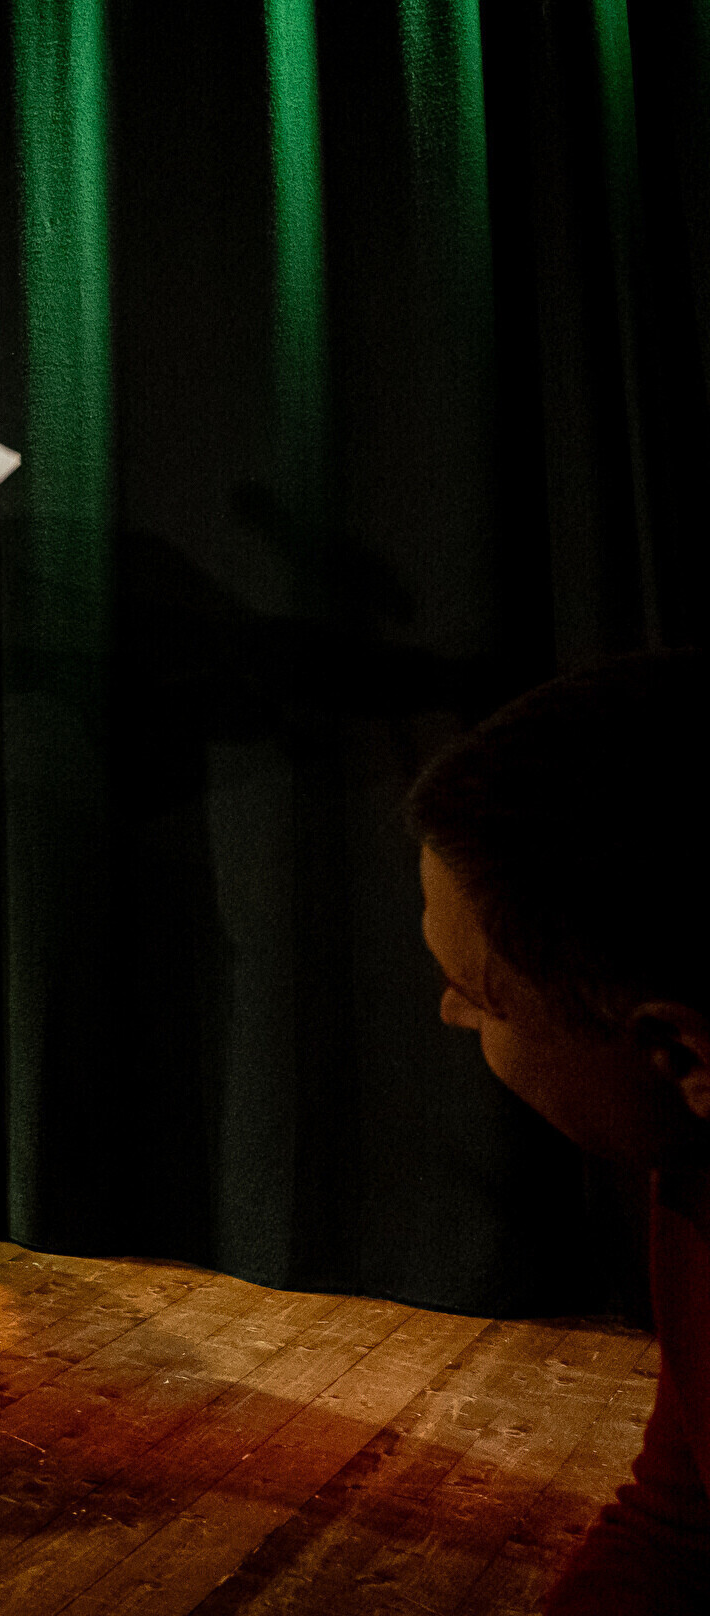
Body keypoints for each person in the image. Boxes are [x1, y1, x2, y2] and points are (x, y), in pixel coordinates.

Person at [408, 651, 710, 1613]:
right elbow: (679, 1523)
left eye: (479, 998)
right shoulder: (690, 1164)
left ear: (678, 1052)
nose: (450, 1015)